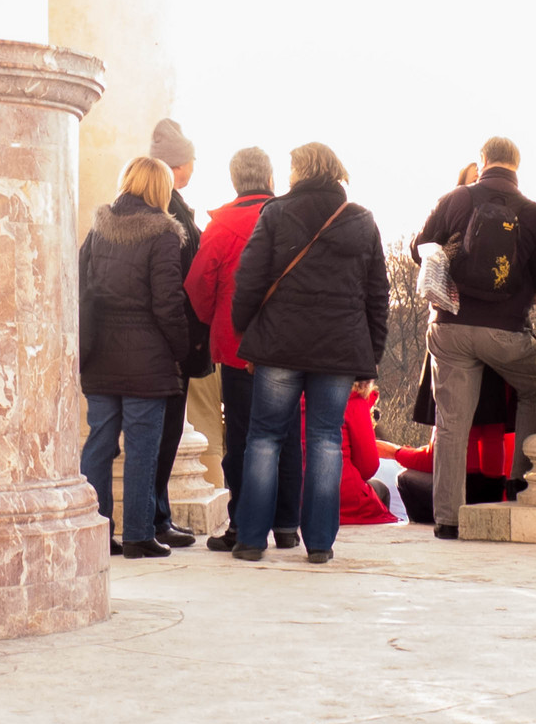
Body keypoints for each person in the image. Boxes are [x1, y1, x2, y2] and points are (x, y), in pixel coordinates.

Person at [227, 142, 389, 563]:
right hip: (338, 350)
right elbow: (377, 294)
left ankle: (249, 539)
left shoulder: (276, 214)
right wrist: (371, 355)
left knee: (263, 438)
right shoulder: (362, 220)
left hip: (280, 344)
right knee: (325, 440)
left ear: (299, 171)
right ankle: (319, 544)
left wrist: (246, 329)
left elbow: (250, 278)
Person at [411, 137, 536, 539]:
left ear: (483, 161)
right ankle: (519, 481)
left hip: (450, 325)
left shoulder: (455, 198)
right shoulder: (533, 213)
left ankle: (448, 519)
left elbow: (420, 249)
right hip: (505, 331)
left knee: (452, 423)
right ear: (517, 166)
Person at [184, 146, 304, 551]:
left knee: (244, 438)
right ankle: (287, 525)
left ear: (235, 181)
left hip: (238, 347)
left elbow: (199, 285)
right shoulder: (292, 219)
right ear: (270, 179)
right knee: (286, 435)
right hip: (288, 344)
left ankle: (243, 525)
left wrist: (212, 321)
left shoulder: (221, 226)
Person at [78, 157, 189, 558]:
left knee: (99, 443)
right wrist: (182, 349)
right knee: (143, 447)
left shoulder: (98, 227)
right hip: (148, 358)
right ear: (159, 188)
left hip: (100, 354)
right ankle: (140, 534)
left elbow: (81, 283)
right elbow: (168, 303)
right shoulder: (163, 233)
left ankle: (95, 529)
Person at [147, 118, 211, 548]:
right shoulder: (171, 210)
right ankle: (154, 519)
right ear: (180, 166)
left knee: (163, 434)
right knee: (163, 435)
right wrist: (183, 342)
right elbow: (175, 288)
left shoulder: (167, 204)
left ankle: (158, 515)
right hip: (169, 342)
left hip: (162, 341)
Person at [382, 423, 517, 525]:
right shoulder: (502, 408)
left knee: (405, 478)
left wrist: (395, 452)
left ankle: (434, 525)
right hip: (501, 489)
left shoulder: (451, 398)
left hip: (467, 490)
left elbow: (435, 460)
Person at [337, 382, 400, 525]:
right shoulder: (353, 401)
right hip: (342, 498)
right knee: (379, 488)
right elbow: (368, 467)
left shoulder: (295, 397)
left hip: (292, 496)